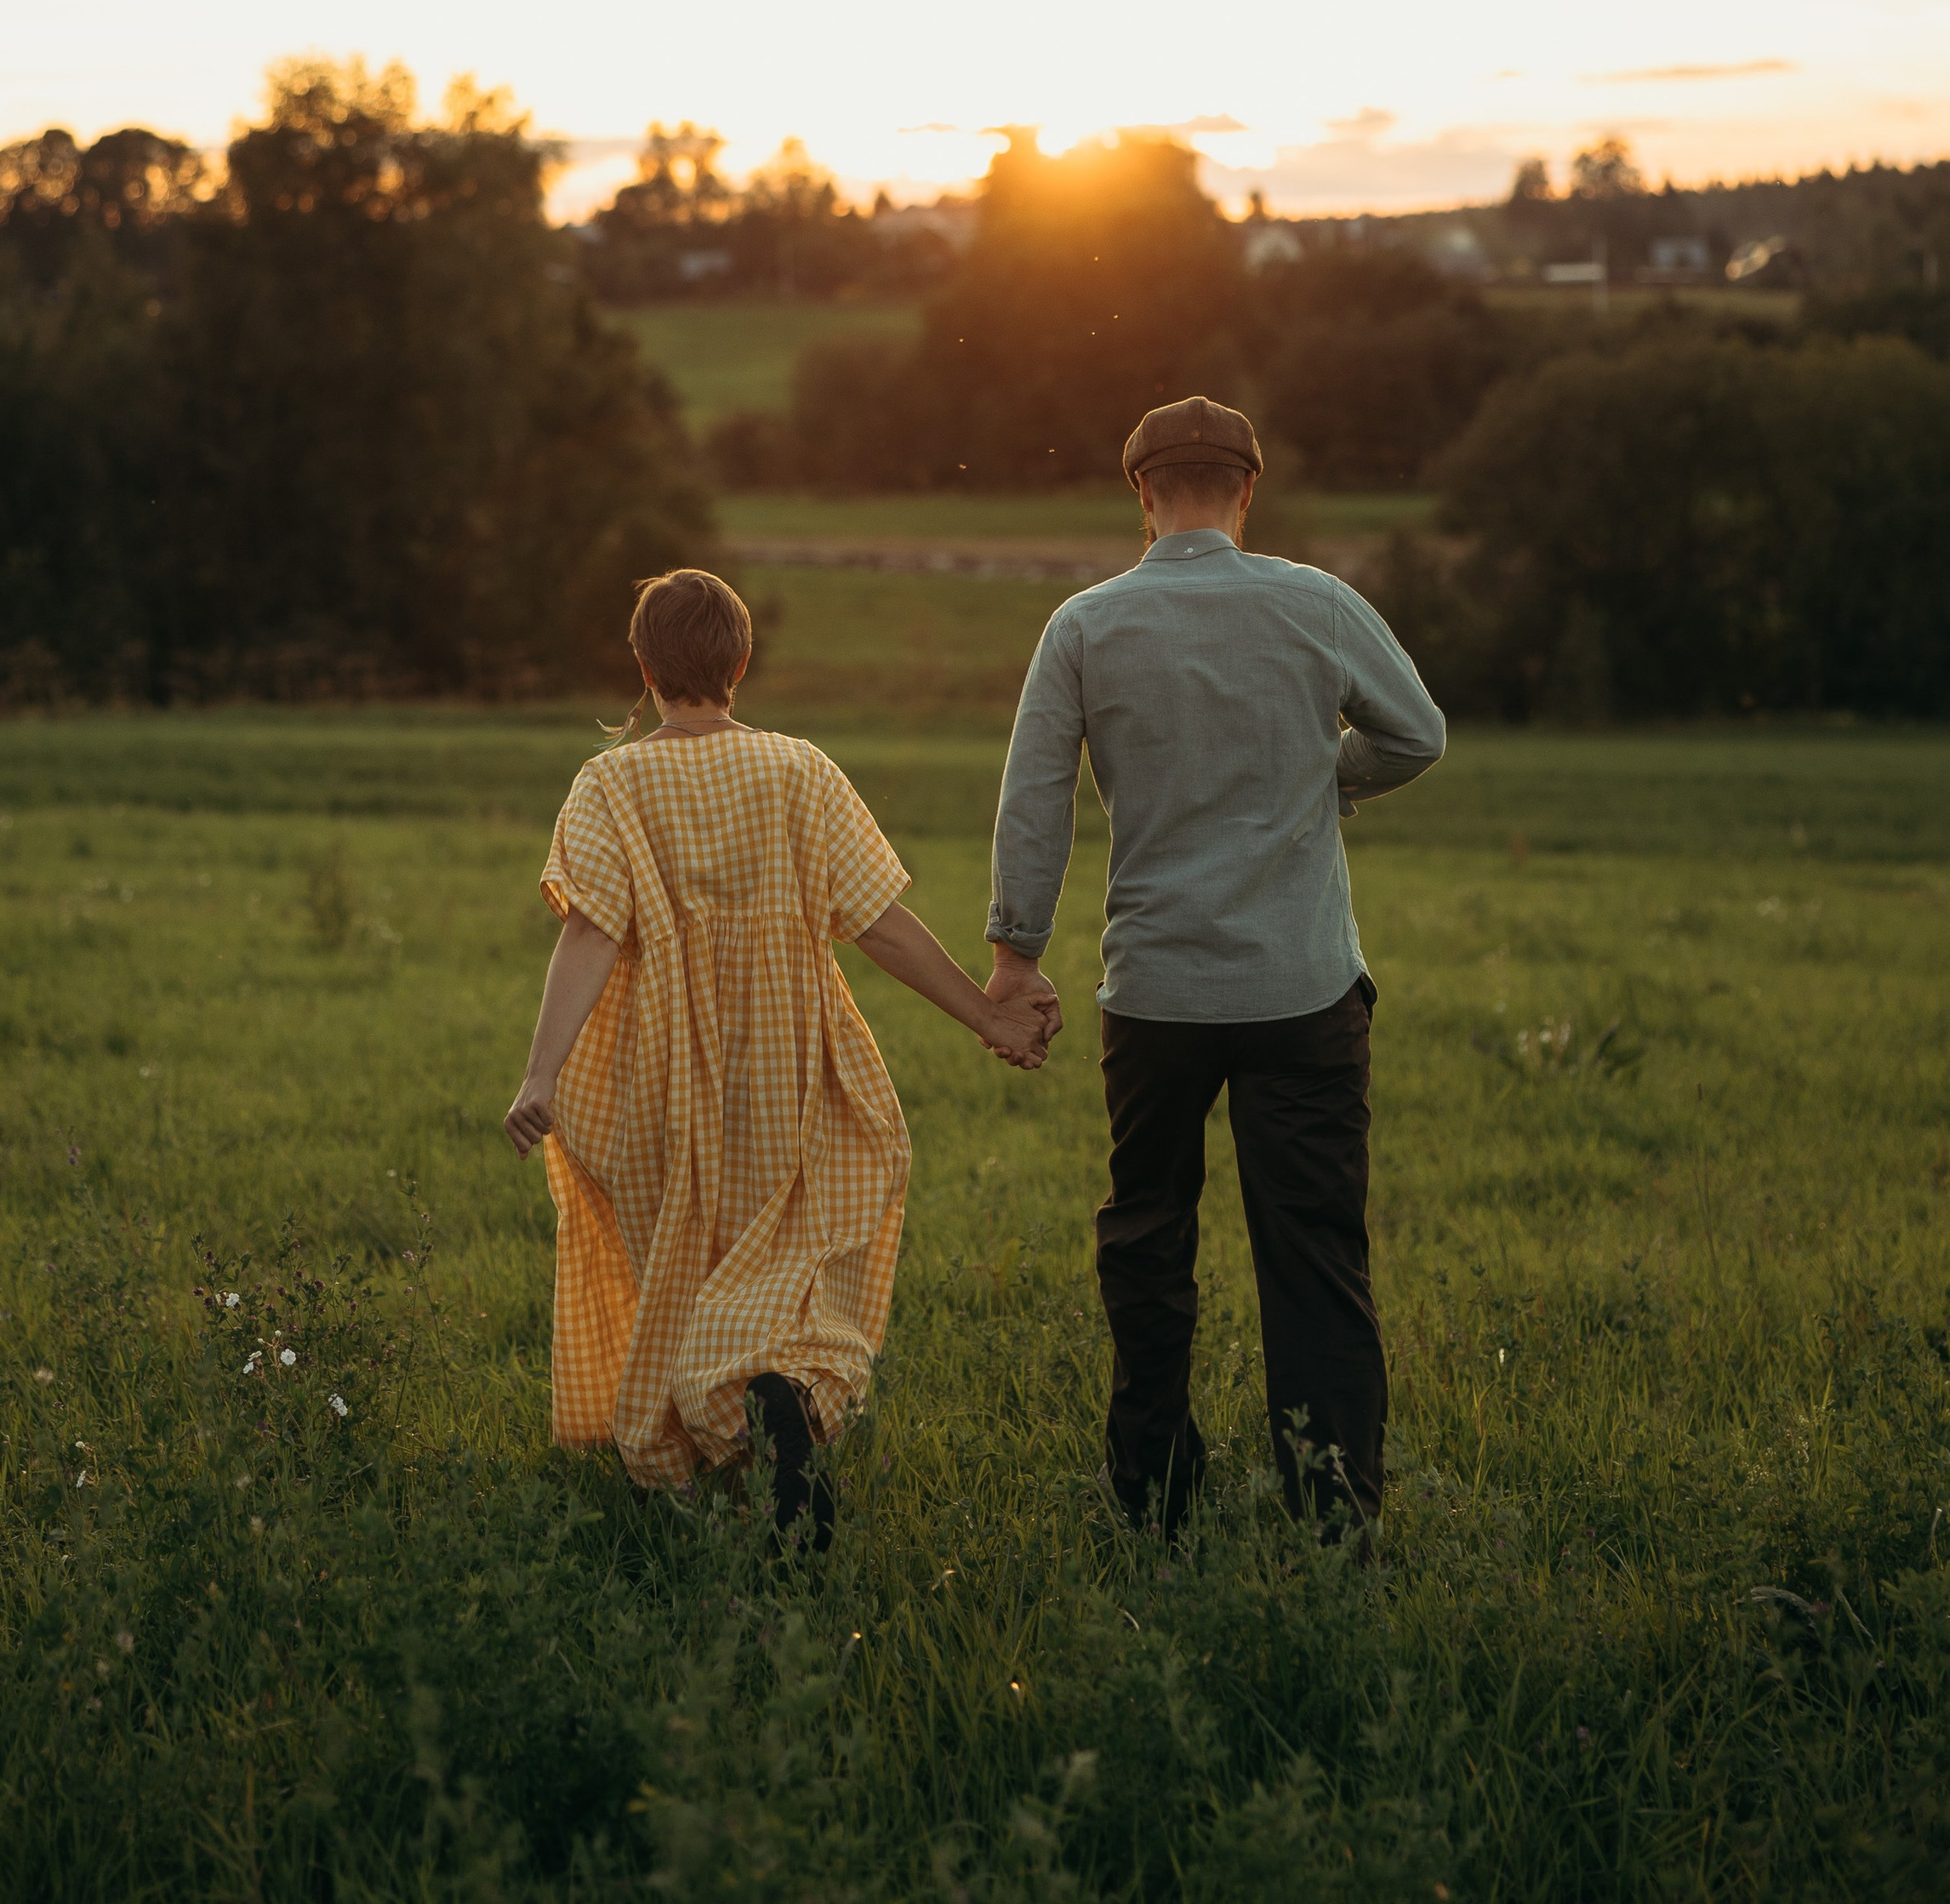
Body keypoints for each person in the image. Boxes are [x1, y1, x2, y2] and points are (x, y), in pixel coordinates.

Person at [505, 565, 1052, 1544]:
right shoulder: (799, 769)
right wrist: (987, 1016)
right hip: (789, 1066)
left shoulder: (611, 782)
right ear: (741, 664)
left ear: (642, 667)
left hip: (654, 1077)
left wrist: (541, 1075)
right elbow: (879, 924)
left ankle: (702, 1451)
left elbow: (589, 933)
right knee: (785, 1256)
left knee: (685, 1261)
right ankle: (776, 1396)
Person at [983, 396, 1445, 1540]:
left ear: (1142, 496)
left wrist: (1014, 963)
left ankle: (1152, 1499)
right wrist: (1322, 777)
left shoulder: (1085, 627)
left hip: (1155, 998)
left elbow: (1034, 803)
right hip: (1304, 990)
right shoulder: (1316, 604)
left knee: (1148, 1237)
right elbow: (1418, 734)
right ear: (1248, 489)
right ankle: (1334, 1516)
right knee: (1315, 1258)